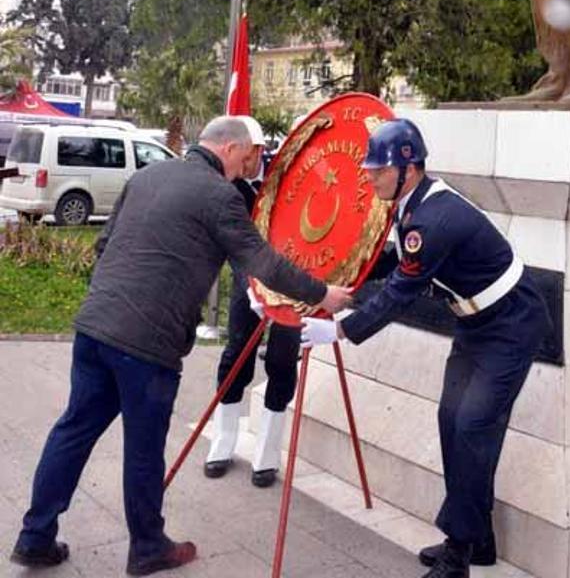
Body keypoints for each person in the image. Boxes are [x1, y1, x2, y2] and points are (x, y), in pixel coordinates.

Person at [10, 116, 352, 576]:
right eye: (251, 153)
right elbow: (263, 261)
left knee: (73, 430)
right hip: (147, 345)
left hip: (94, 328)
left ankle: (35, 537)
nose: (254, 162)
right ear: (229, 149)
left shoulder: (148, 175)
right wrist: (323, 294)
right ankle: (148, 547)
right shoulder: (220, 196)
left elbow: (104, 246)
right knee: (144, 448)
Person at [300, 119, 553, 578]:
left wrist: (340, 330)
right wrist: (349, 281)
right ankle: (480, 540)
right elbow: (398, 259)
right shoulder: (410, 205)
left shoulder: (434, 218)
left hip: (513, 322)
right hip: (475, 321)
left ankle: (458, 554)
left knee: (474, 424)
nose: (369, 176)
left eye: (378, 169)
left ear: (408, 167)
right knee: (451, 419)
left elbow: (402, 291)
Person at [204, 114, 302, 488]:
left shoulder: (287, 174)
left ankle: (267, 453)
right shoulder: (229, 184)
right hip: (250, 284)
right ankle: (223, 441)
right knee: (235, 356)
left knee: (281, 362)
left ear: (256, 151)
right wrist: (253, 288)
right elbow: (232, 243)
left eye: (244, 155)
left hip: (292, 285)